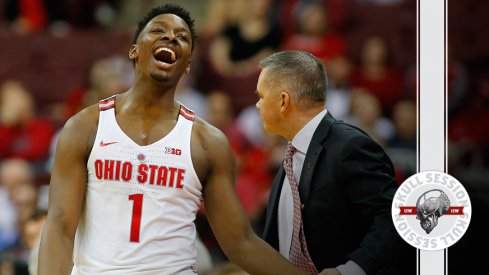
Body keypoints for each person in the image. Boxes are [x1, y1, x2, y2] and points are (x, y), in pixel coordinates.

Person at [38, 4, 308, 275]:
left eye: (182, 37)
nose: (170, 37)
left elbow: (241, 242)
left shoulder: (207, 142)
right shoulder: (86, 127)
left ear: (188, 63)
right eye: (158, 30)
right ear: (134, 49)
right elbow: (60, 226)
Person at [255, 50, 404, 275]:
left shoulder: (350, 146)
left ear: (283, 101)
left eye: (261, 96)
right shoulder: (290, 154)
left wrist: (350, 270)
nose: (257, 105)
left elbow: (394, 217)